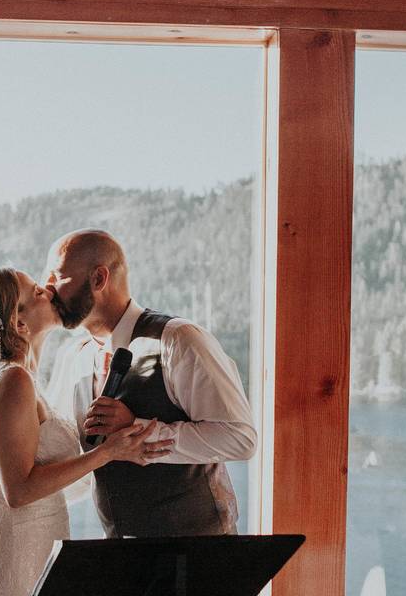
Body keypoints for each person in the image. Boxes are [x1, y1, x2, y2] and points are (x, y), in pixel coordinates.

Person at [0, 266, 173, 596]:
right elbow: (18, 491)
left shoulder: (21, 379)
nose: (47, 289)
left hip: (32, 547)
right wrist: (107, 453)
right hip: (14, 559)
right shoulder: (13, 381)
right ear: (19, 323)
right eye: (35, 292)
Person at [42, 229, 257, 537]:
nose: (48, 291)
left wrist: (140, 430)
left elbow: (240, 438)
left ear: (98, 279)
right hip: (126, 561)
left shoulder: (179, 339)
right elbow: (75, 464)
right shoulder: (74, 357)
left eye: (56, 278)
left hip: (202, 556)